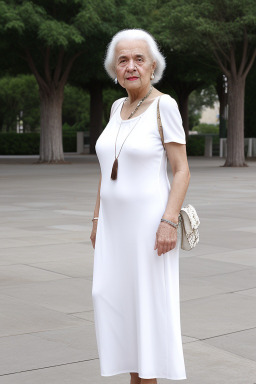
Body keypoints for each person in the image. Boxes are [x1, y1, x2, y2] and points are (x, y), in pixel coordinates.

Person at [90, 28, 190, 384]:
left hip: (150, 230)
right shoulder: (118, 106)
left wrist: (169, 221)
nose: (131, 66)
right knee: (114, 302)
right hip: (114, 230)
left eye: (138, 59)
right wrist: (97, 217)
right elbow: (108, 168)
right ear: (115, 70)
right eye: (123, 60)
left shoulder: (165, 106)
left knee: (145, 313)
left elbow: (181, 170)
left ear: (152, 67)